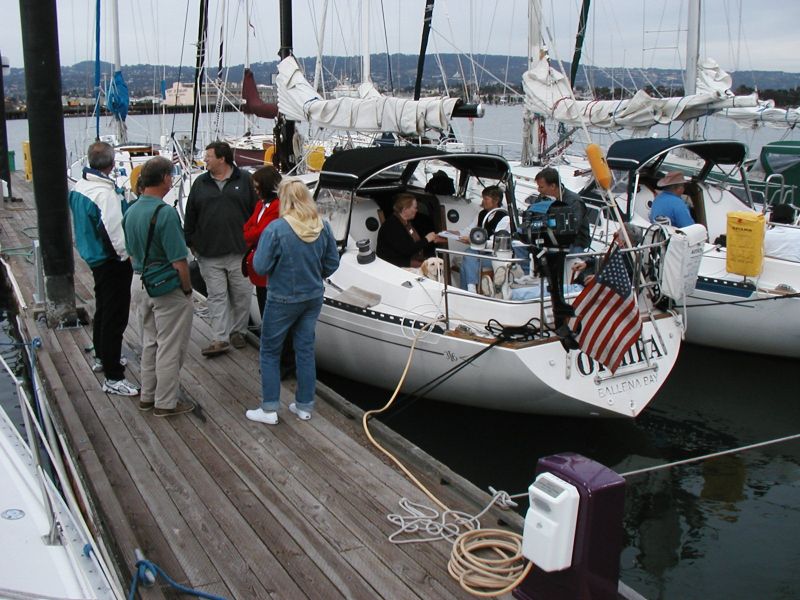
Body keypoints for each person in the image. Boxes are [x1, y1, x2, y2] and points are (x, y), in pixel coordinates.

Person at [245, 178, 340, 425]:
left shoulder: (276, 229)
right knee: (305, 350)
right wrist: (314, 274)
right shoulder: (323, 226)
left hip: (282, 298)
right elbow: (332, 263)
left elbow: (261, 265)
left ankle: (268, 409)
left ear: (284, 199)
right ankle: (304, 405)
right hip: (313, 297)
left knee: (269, 351)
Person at [123, 157, 196, 417]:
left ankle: (148, 395)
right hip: (166, 286)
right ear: (165, 178)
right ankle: (166, 402)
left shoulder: (130, 210)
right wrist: (187, 291)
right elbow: (179, 262)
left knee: (150, 342)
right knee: (170, 346)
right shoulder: (164, 213)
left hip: (139, 280)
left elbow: (130, 253)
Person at [68, 141, 138, 397]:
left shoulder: (81, 186)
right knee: (115, 316)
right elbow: (114, 232)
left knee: (103, 308)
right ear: (111, 163)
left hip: (95, 257)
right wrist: (128, 257)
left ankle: (102, 355)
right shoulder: (104, 193)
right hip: (111, 261)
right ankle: (113, 377)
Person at [184, 141, 257, 357]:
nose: (204, 160)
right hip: (208, 252)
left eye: (208, 156)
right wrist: (191, 242)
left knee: (242, 295)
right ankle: (219, 337)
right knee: (216, 296)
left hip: (239, 250)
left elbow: (255, 211)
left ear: (222, 159)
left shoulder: (244, 180)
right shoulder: (200, 183)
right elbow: (191, 215)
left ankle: (239, 332)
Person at [243, 165, 282, 315]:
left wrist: (250, 233)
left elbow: (261, 232)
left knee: (270, 312)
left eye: (258, 186)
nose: (256, 190)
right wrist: (251, 232)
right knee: (263, 308)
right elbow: (248, 227)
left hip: (270, 268)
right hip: (258, 267)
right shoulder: (260, 204)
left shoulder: (277, 206)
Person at [456, 185, 510, 293]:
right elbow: (469, 230)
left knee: (468, 256)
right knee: (468, 257)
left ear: (496, 200)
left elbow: (496, 243)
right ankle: (469, 290)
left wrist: (474, 242)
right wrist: (454, 233)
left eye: (486, 199)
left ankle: (469, 290)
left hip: (494, 256)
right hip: (480, 253)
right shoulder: (482, 214)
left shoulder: (505, 218)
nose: (483, 201)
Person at [534, 167, 591, 253]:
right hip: (548, 237)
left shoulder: (574, 201)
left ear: (553, 186)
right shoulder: (542, 198)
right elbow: (533, 212)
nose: (538, 189)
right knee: (521, 245)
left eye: (541, 187)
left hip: (575, 242)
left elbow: (574, 227)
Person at [376, 193, 440, 267]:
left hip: (408, 258)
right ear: (405, 209)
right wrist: (427, 239)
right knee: (433, 268)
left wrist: (433, 239)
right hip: (395, 264)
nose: (417, 210)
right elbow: (407, 250)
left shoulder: (407, 222)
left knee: (436, 264)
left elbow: (416, 243)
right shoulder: (392, 226)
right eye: (415, 208)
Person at [571, 222, 643, 284]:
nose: (614, 234)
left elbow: (617, 280)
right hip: (583, 284)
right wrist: (586, 263)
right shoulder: (616, 251)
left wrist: (599, 280)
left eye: (619, 232)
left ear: (624, 241)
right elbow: (603, 259)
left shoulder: (630, 262)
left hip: (591, 292)